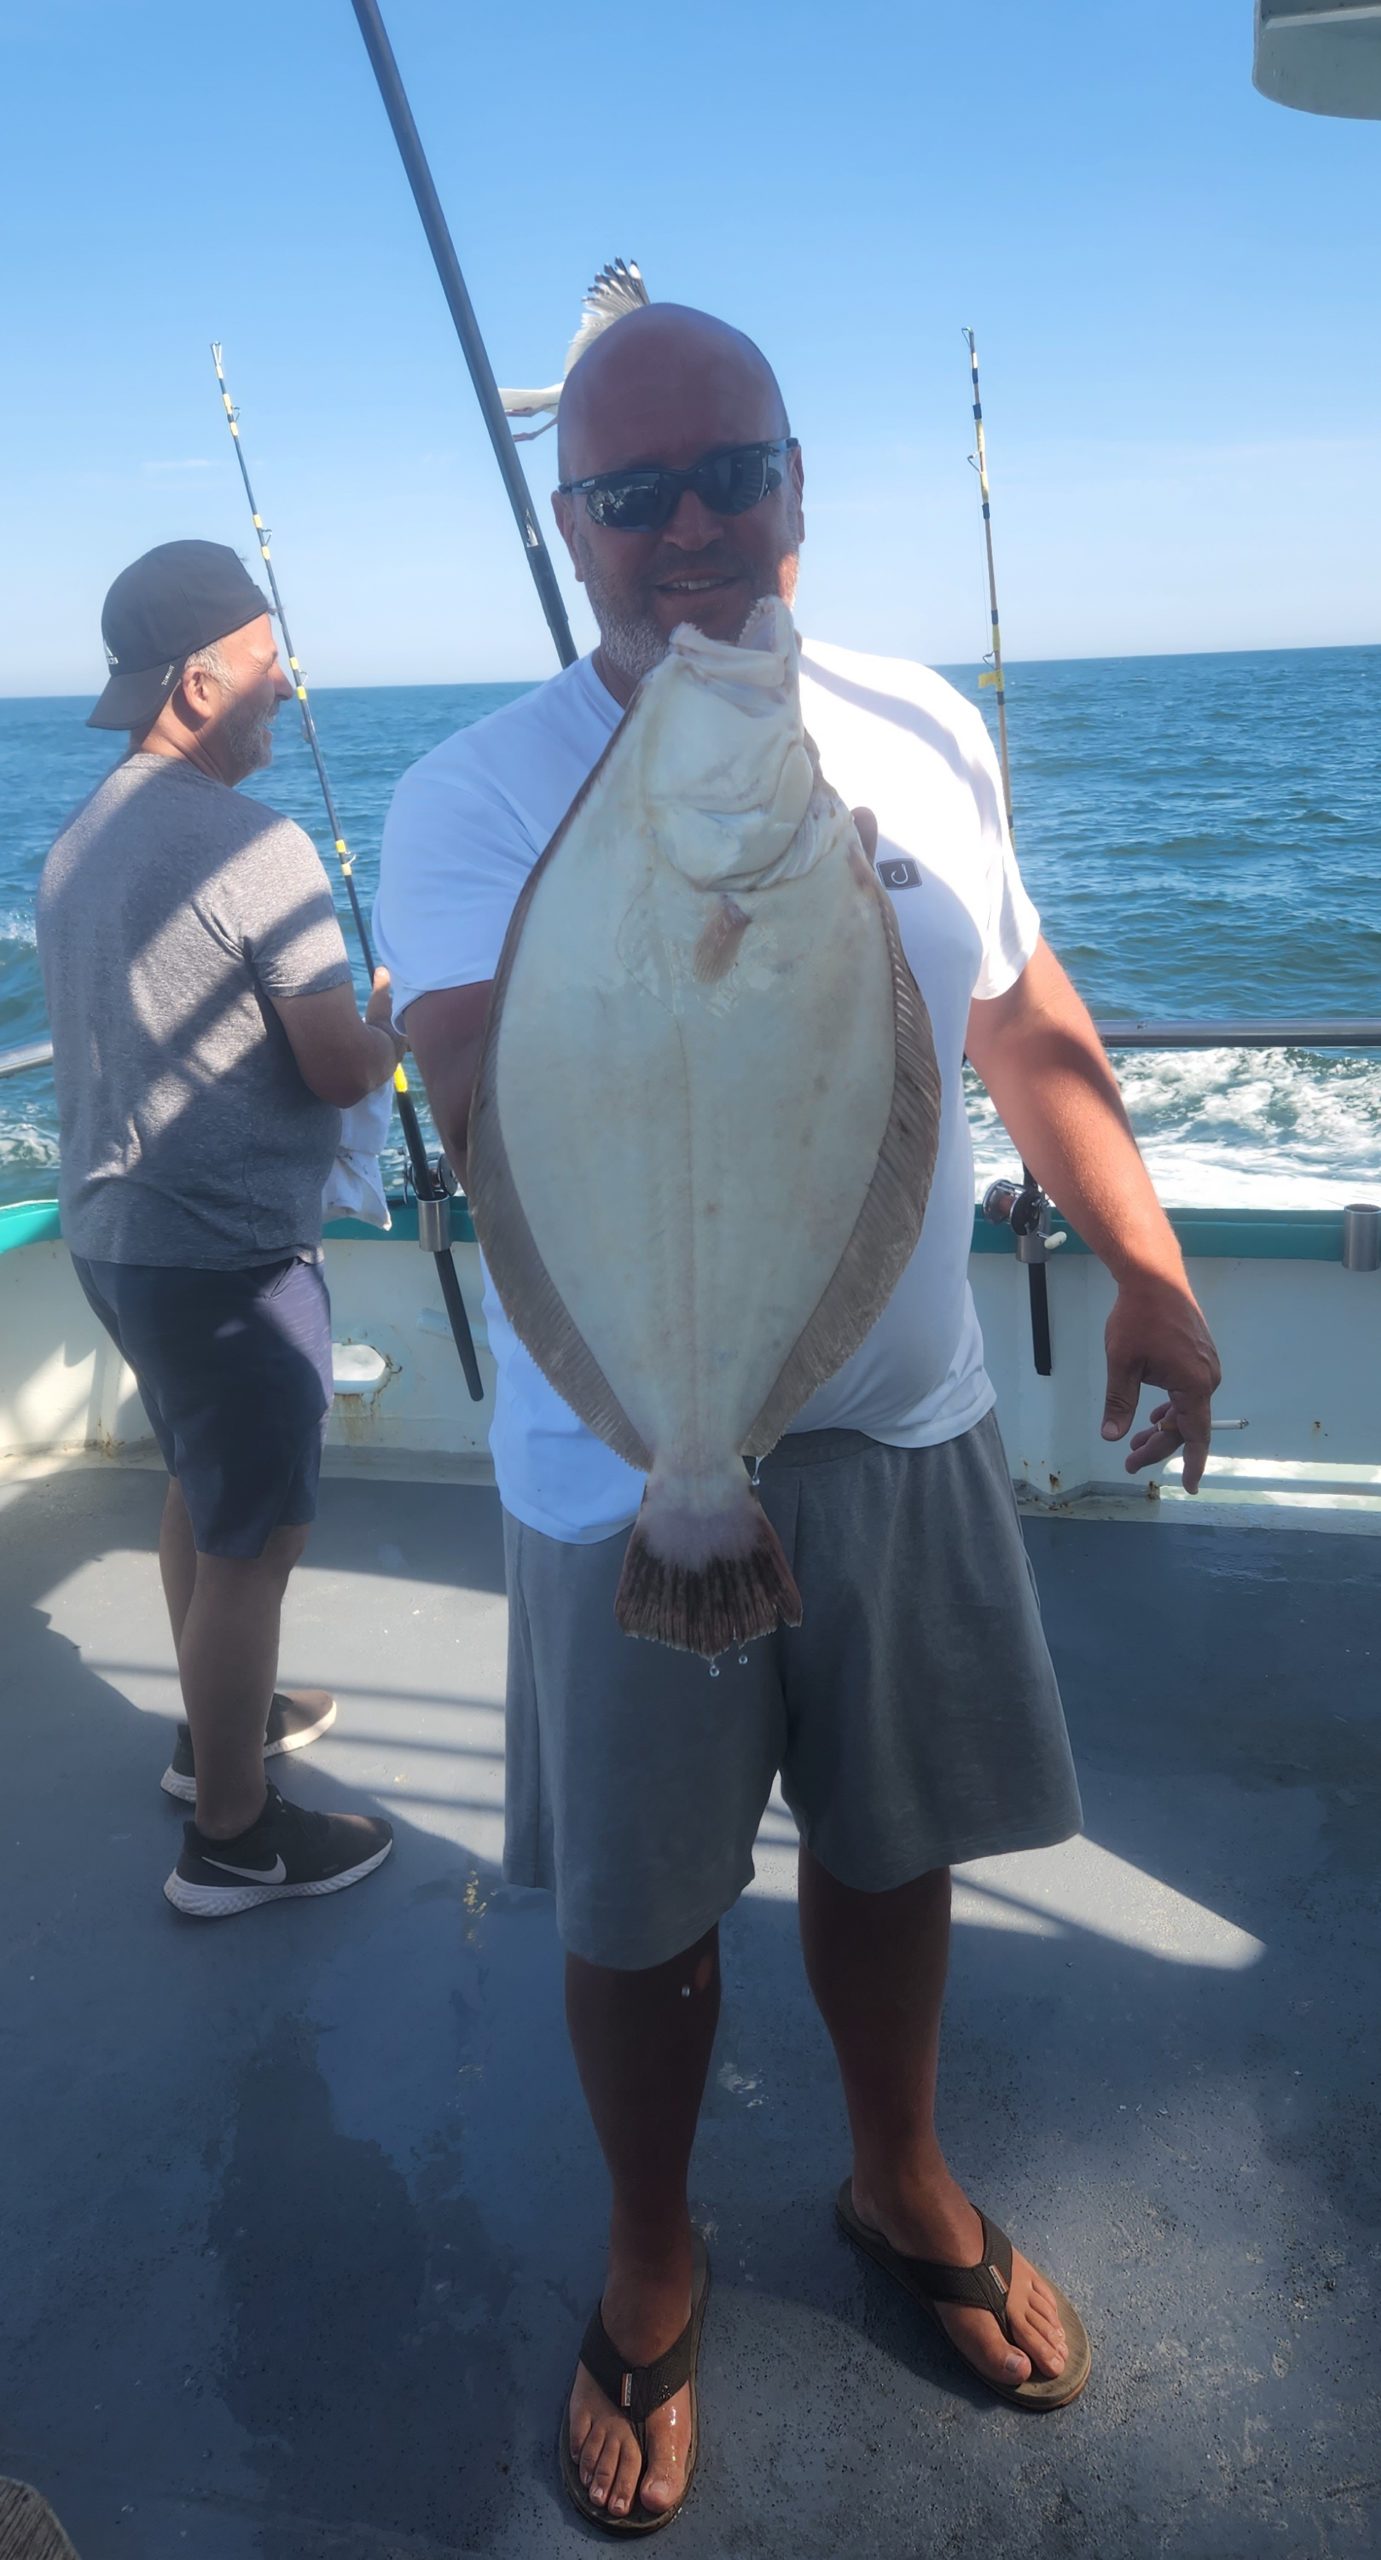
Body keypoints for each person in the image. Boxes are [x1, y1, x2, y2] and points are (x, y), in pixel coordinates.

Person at [374, 308, 1221, 2529]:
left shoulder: (921, 724)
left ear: (798, 481)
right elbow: (470, 1088)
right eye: (630, 495)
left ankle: (897, 2171)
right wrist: (651, 879)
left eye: (727, 471)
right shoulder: (479, 792)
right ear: (569, 531)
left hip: (906, 1410)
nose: (688, 531)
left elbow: (1019, 1009)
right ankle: (654, 2248)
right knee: (641, 1902)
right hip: (639, 1447)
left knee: (887, 1840)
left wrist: (1143, 1254)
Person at [37, 540, 400, 1921]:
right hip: (228, 1260)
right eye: (268, 662)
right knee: (258, 1543)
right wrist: (386, 1020)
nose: (286, 690)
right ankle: (234, 1841)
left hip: (118, 1238)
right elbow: (333, 1067)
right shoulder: (256, 844)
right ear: (200, 681)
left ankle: (211, 1743)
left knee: (201, 1487)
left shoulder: (80, 838)